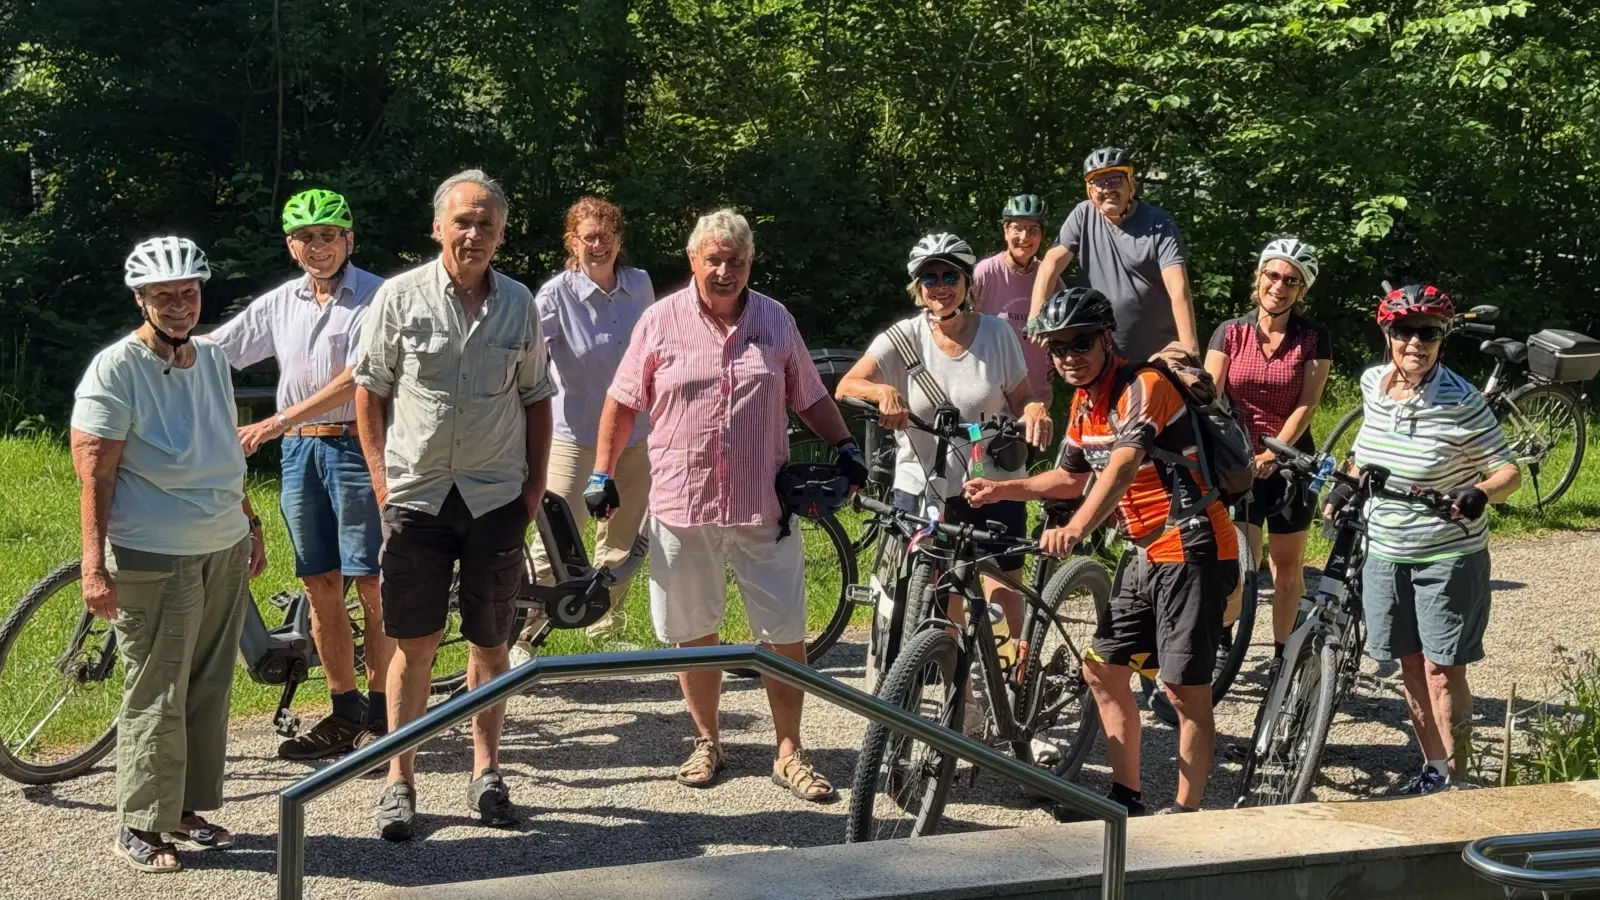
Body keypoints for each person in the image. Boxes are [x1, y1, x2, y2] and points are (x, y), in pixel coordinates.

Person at [591, 208, 866, 802]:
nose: (723, 271)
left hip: (762, 505)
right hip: (681, 503)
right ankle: (707, 739)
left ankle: (789, 749)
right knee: (695, 631)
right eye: (712, 259)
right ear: (693, 260)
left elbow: (809, 395)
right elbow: (621, 402)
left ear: (750, 263)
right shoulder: (660, 321)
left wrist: (844, 445)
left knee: (784, 630)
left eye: (735, 261)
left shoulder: (774, 319)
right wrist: (601, 473)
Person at [965, 286, 1238, 815]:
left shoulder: (1145, 385)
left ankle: (1186, 813)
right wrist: (1003, 489)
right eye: (1058, 348)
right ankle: (1126, 800)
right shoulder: (1085, 403)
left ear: (1106, 337)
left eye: (1081, 343)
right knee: (1105, 670)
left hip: (1194, 548)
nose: (1070, 356)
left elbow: (1121, 468)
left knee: (1184, 690)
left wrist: (1077, 528)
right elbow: (1071, 476)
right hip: (1145, 551)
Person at [352, 169, 554, 840]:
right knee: (413, 643)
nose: (474, 234)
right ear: (438, 227)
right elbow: (369, 391)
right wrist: (383, 482)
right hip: (417, 498)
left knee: (491, 642)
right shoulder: (397, 297)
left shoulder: (520, 303)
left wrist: (532, 488)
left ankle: (487, 772)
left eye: (486, 224)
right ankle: (398, 779)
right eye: (462, 221)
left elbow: (535, 397)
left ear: (501, 234)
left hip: (496, 497)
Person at [71, 236, 268, 872]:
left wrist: (250, 520)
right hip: (155, 551)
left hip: (222, 544)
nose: (181, 305)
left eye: (189, 293)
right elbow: (95, 471)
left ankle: (183, 808)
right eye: (165, 296)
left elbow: (222, 449)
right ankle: (140, 821)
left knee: (208, 685)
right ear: (141, 300)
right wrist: (93, 563)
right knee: (157, 687)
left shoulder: (209, 358)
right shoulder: (115, 367)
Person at [208, 189, 394, 758]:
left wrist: (273, 421)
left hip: (356, 447)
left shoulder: (376, 296)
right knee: (320, 584)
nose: (318, 247)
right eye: (306, 238)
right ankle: (343, 712)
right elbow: (217, 350)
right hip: (299, 456)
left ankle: (387, 717)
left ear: (349, 240)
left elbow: (358, 377)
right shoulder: (281, 302)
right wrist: (150, 358)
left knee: (373, 584)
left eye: (329, 235)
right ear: (292, 247)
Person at [1330, 283, 1519, 794]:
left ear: (1443, 338)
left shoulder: (1461, 400)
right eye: (1407, 331)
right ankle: (1433, 767)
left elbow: (1508, 472)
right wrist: (1346, 486)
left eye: (1429, 333)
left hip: (1447, 553)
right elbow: (1366, 450)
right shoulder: (1373, 383)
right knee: (1408, 662)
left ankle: (1456, 777)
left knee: (1441, 667)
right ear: (1389, 333)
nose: (1417, 343)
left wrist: (1480, 491)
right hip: (1384, 549)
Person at [835, 232, 1051, 667]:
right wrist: (883, 394)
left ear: (968, 282)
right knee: (941, 590)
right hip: (923, 483)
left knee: (1004, 586)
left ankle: (1015, 685)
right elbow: (846, 386)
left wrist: (1036, 413)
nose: (939, 285)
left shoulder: (997, 334)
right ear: (917, 287)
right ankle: (963, 697)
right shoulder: (903, 338)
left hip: (990, 481)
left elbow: (1024, 396)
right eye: (928, 277)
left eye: (949, 275)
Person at [513, 196, 654, 660]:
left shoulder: (640, 285)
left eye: (606, 236)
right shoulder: (554, 296)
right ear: (571, 242)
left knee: (622, 536)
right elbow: (527, 361)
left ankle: (602, 625)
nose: (598, 245)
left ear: (619, 239)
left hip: (635, 436)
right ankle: (521, 634)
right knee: (555, 537)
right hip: (573, 437)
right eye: (588, 237)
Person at [1203, 238, 1331, 655]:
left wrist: (1275, 453)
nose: (1279, 286)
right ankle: (1222, 640)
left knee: (1288, 566)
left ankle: (1283, 652)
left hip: (1290, 460)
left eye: (1291, 281)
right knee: (1238, 565)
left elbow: (1308, 403)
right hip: (1239, 461)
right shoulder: (1231, 332)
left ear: (1301, 290)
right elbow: (1209, 397)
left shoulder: (1313, 338)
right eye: (1272, 275)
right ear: (1258, 277)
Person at [1028, 147, 1198, 362]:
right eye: (1099, 182)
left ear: (1131, 185)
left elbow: (1178, 288)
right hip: (1102, 355)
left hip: (1158, 355)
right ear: (1089, 191)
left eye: (1115, 180)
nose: (1107, 189)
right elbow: (1051, 263)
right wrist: (1036, 315)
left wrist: (1190, 350)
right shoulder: (1083, 214)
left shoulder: (1158, 222)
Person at [972, 194, 1062, 404]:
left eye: (1033, 230)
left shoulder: (1050, 276)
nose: (1025, 237)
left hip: (1036, 393)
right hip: (991, 392)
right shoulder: (986, 272)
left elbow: (1065, 327)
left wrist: (1059, 360)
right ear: (1005, 231)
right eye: (1017, 228)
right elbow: (961, 321)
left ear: (1042, 235)